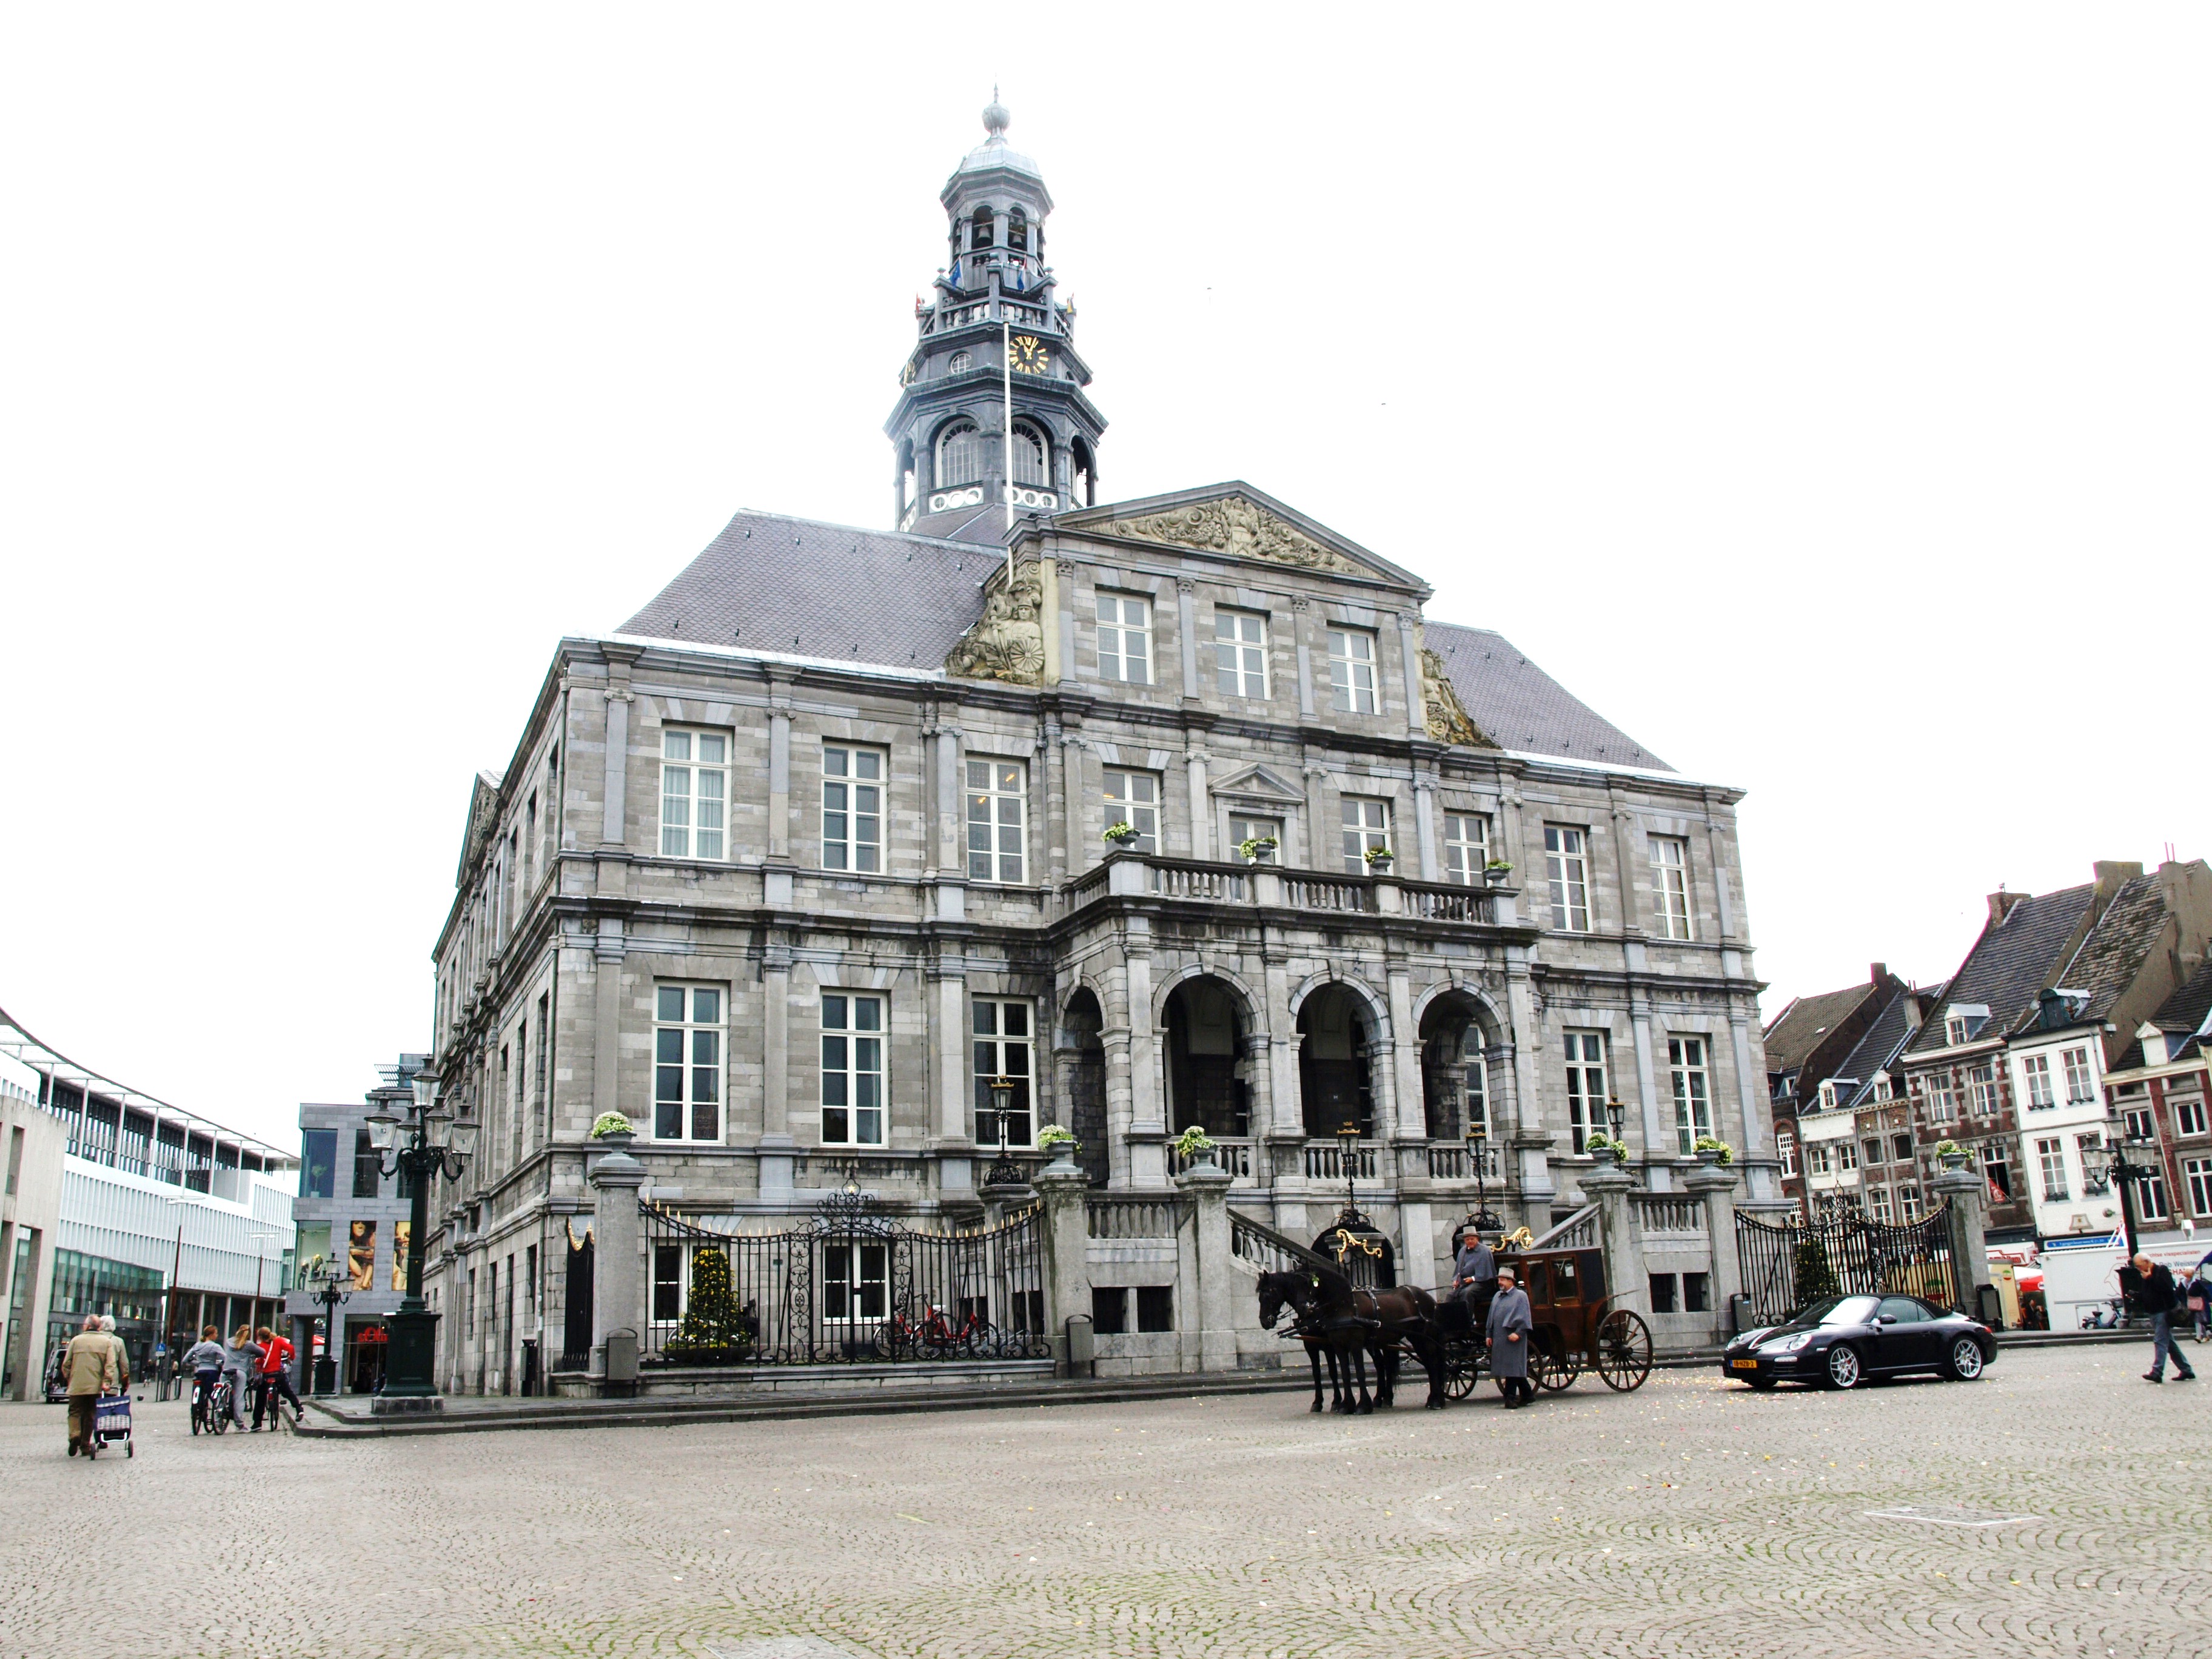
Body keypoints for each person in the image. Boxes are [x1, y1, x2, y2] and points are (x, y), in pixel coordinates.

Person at [2128, 1253, 2197, 1383]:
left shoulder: (2161, 1271)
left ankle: (2157, 1372)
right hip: (2153, 1312)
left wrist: (2150, 1278)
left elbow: (2167, 1288)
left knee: (2160, 1341)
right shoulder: (2144, 1276)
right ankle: (2187, 1370)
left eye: (2139, 1265)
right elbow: (2148, 1294)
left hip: (2164, 1312)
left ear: (2146, 1262)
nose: (2138, 1268)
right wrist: (2136, 1296)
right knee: (2170, 1344)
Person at [60, 1315, 118, 1456]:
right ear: (99, 1327)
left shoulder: (76, 1341)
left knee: (74, 1412)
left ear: (87, 1326)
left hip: (77, 1385)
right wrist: (106, 1381)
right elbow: (111, 1364)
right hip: (95, 1386)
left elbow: (66, 1364)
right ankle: (85, 1445)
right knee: (90, 1415)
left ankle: (75, 1435)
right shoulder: (106, 1342)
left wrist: (70, 1378)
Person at [1486, 1264, 1534, 1409]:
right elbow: (1491, 1317)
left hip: (1514, 1338)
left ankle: (1510, 1398)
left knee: (1512, 1367)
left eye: (1503, 1279)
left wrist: (1519, 1333)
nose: (1500, 1282)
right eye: (1499, 1279)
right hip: (1500, 1338)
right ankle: (1527, 1395)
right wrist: (1489, 1334)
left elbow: (1525, 1317)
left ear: (1510, 1281)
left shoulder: (1521, 1296)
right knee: (1511, 1368)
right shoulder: (1497, 1296)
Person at [252, 1326, 301, 1429]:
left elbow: (259, 1360)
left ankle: (257, 1423)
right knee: (287, 1391)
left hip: (266, 1374)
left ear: (260, 1336)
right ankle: (299, 1409)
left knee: (261, 1396)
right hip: (277, 1373)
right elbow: (291, 1348)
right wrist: (291, 1358)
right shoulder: (278, 1341)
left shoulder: (260, 1346)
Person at [181, 1325, 227, 1423]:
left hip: (200, 1372)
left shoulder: (197, 1345)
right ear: (211, 1335)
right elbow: (225, 1358)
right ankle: (218, 1413)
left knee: (201, 1391)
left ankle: (199, 1411)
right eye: (216, 1333)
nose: (217, 1335)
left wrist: (198, 1364)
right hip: (212, 1371)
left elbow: (186, 1359)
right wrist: (219, 1364)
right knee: (214, 1394)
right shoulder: (215, 1346)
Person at [225, 1326, 258, 1428]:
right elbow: (262, 1352)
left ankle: (217, 1421)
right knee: (239, 1397)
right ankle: (239, 1423)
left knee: (222, 1394)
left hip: (226, 1370)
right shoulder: (249, 1344)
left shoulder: (228, 1341)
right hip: (240, 1371)